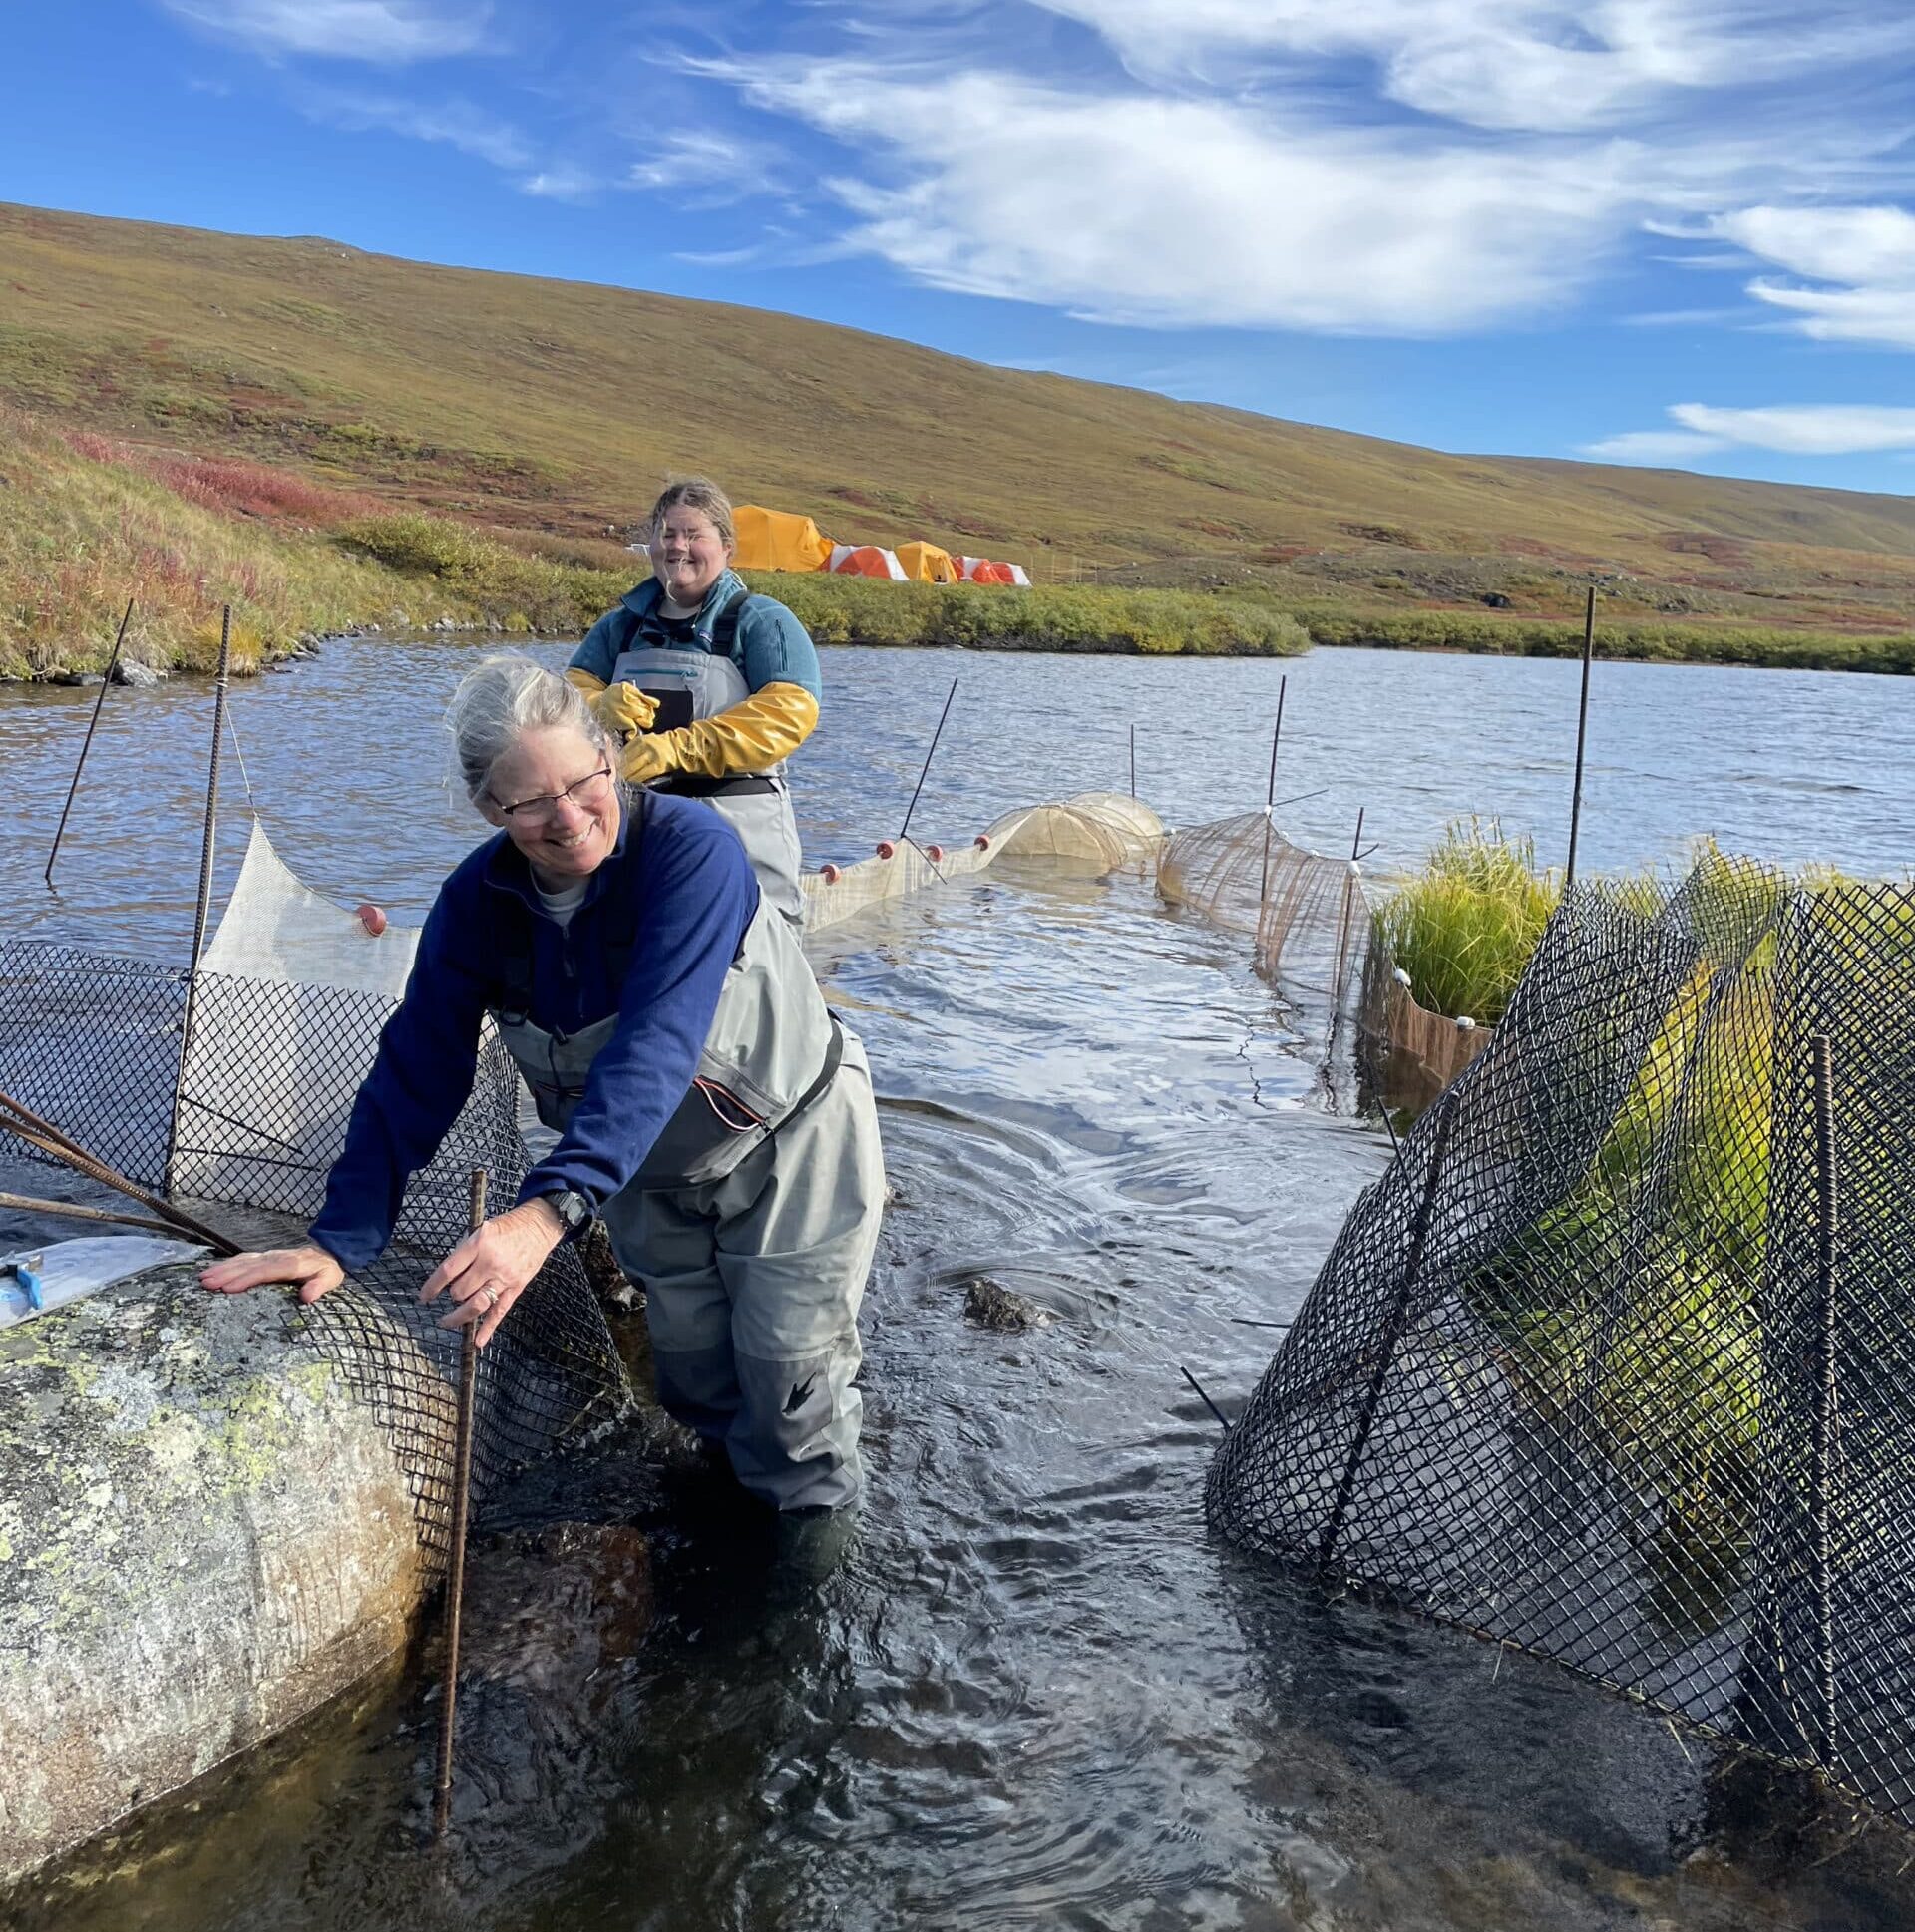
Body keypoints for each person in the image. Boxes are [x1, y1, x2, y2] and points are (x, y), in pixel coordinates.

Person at [200, 656, 883, 1513]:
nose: (568, 817)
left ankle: (802, 1596)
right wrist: (341, 1237)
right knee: (698, 1382)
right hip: (647, 1171)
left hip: (788, 1141)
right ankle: (730, 1529)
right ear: (490, 807)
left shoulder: (692, 854)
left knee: (791, 1394)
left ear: (610, 754)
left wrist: (544, 1213)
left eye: (582, 780)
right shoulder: (475, 905)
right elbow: (416, 1068)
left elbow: (656, 1047)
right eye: (529, 801)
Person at [568, 476, 819, 926]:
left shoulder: (763, 622)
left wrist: (679, 749)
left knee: (751, 958)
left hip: (741, 834)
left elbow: (789, 714)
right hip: (637, 830)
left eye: (693, 534)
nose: (677, 547)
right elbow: (562, 703)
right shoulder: (617, 628)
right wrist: (597, 707)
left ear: (726, 546)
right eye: (667, 534)